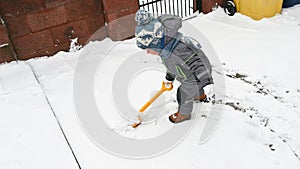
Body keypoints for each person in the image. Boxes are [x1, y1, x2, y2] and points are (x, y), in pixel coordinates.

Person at [135, 10, 213, 123]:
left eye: (148, 49)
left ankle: (184, 114)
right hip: (191, 74)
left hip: (200, 72)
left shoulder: (177, 51)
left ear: (156, 44)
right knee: (192, 86)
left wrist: (201, 78)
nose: (147, 52)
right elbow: (172, 66)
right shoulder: (166, 49)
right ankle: (199, 96)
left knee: (183, 93)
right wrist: (169, 78)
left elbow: (195, 61)